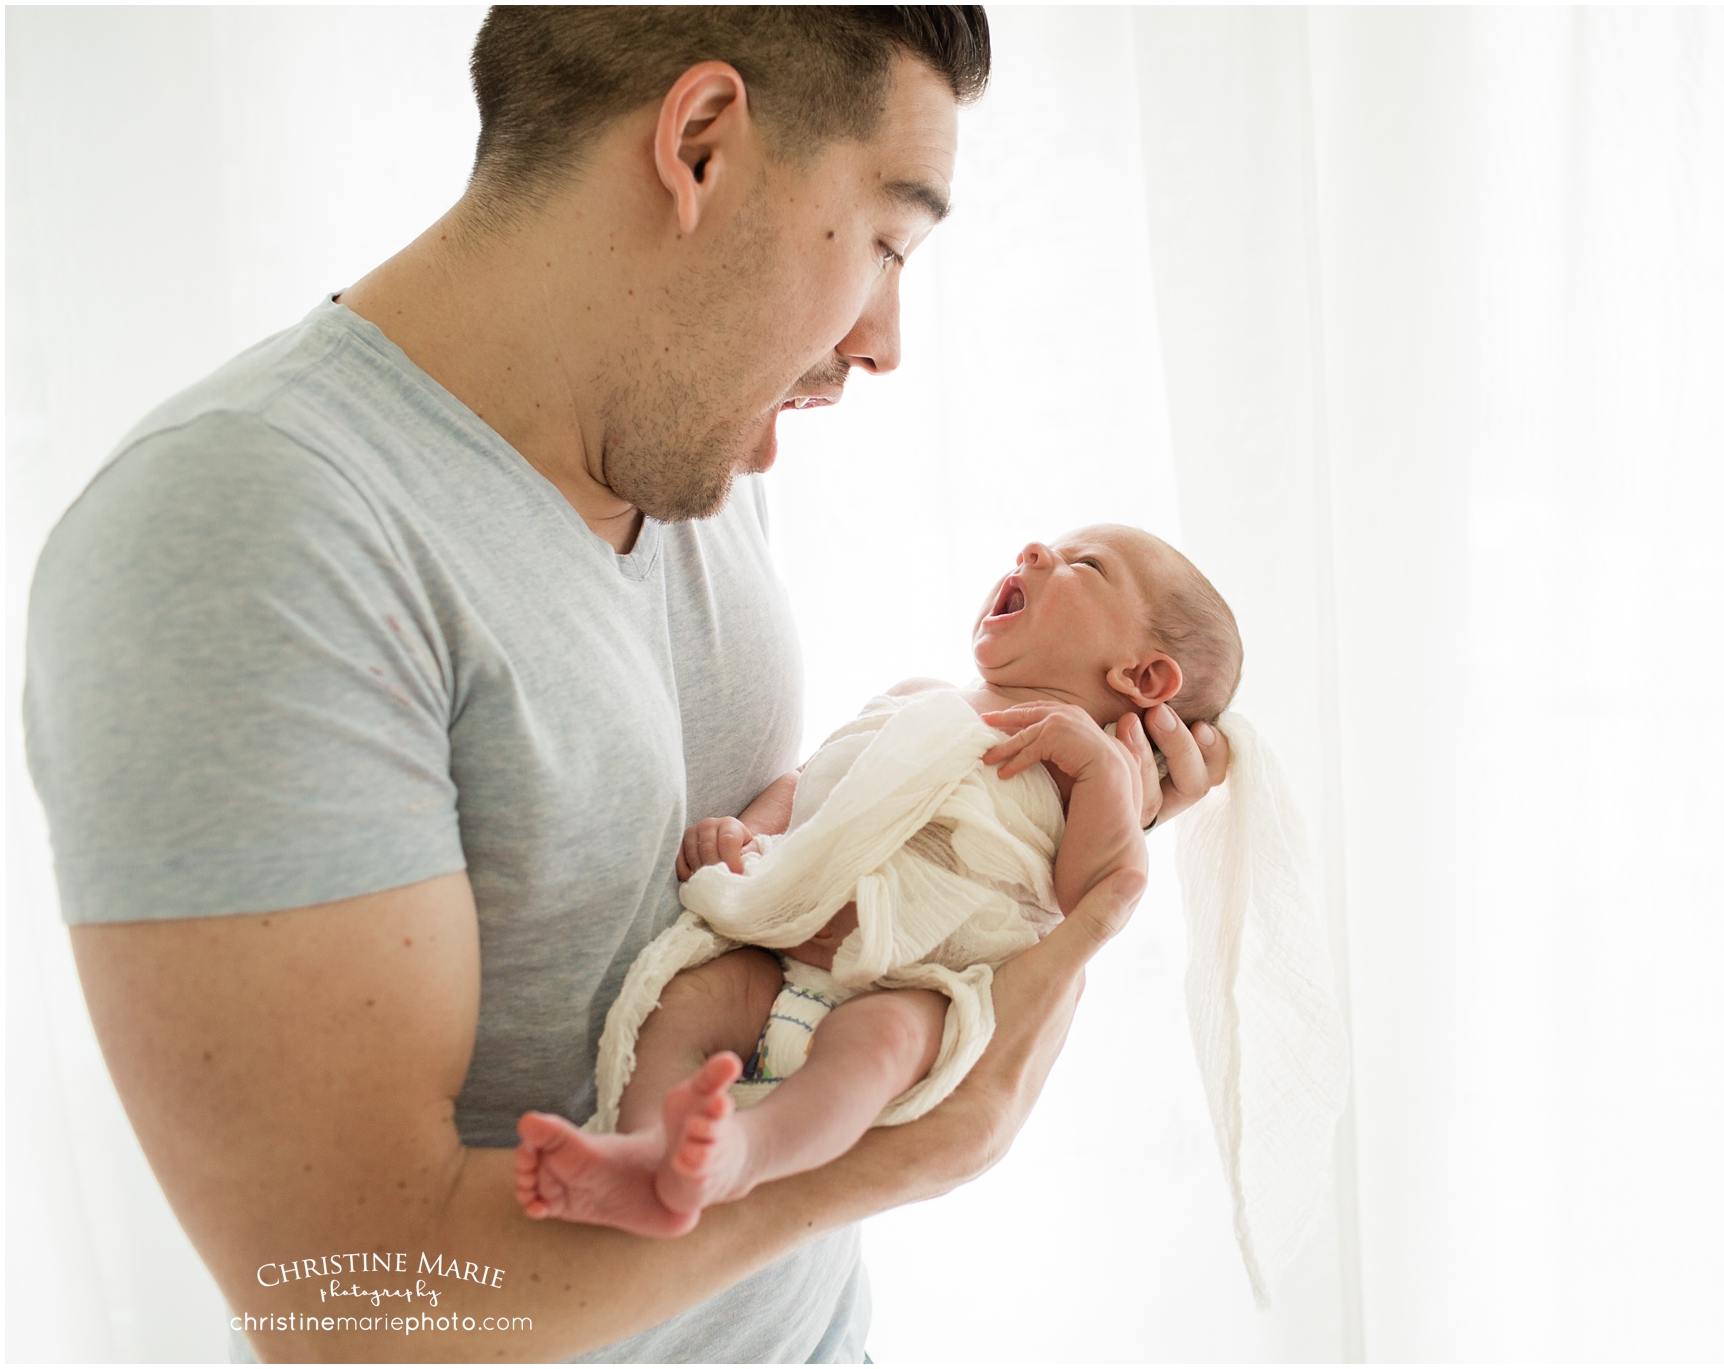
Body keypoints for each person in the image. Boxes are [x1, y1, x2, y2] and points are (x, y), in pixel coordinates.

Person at [25, 8, 1227, 1361]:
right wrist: (890, 1157)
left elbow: (768, 907)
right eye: (889, 238)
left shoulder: (688, 453)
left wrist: (1040, 829)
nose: (886, 340)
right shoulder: (241, 534)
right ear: (701, 143)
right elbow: (340, 1299)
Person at [512, 526, 1241, 1237]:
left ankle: (748, 1153)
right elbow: (814, 782)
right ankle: (645, 1150)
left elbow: (1084, 902)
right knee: (687, 1001)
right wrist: (755, 835)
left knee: (882, 1045)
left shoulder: (1092, 774)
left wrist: (1105, 778)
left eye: (1088, 564)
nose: (1033, 550)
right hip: (782, 945)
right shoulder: (921, 695)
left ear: (1142, 677)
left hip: (916, 984)